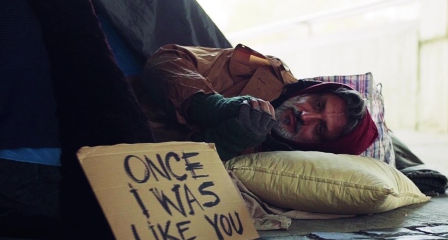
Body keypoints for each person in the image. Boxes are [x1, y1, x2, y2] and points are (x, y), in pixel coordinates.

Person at [140, 44, 379, 161]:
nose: (305, 117)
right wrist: (207, 105)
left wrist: (226, 142)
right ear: (312, 91)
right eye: (318, 105)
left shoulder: (280, 172)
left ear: (318, 149)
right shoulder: (267, 69)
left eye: (319, 129)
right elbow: (167, 59)